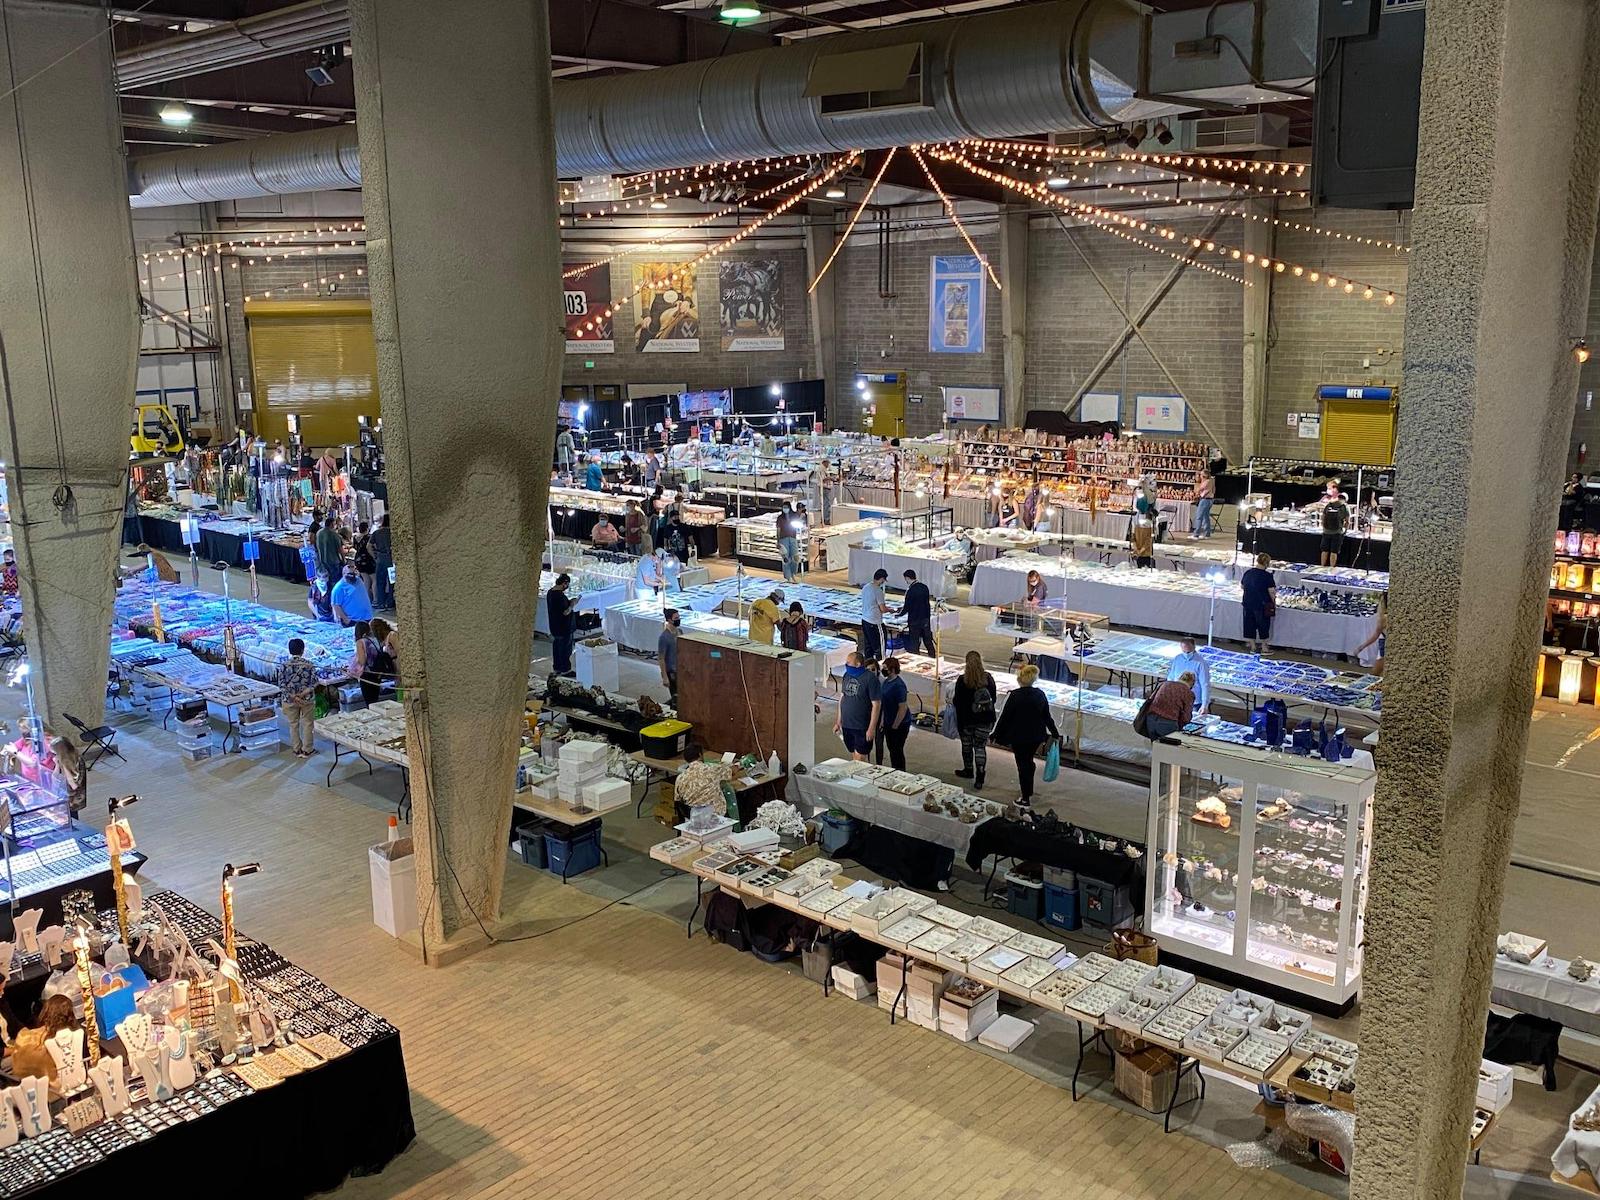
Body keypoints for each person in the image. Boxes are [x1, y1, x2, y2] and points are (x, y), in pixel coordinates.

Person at [992, 662, 1059, 810]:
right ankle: (1028, 787)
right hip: (1036, 737)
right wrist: (1055, 733)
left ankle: (1025, 798)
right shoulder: (1040, 694)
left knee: (1022, 765)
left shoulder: (1014, 696)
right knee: (1028, 761)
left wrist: (995, 734)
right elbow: (1047, 716)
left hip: (1019, 737)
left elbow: (1005, 717)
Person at [952, 650, 997, 789]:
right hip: (985, 720)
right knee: (980, 747)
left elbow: (957, 702)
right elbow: (993, 699)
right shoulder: (988, 678)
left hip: (967, 720)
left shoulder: (962, 680)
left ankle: (968, 770)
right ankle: (980, 775)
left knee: (966, 746)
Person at [834, 651, 881, 762]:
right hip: (847, 723)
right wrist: (838, 721)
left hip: (862, 725)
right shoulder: (846, 675)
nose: (846, 664)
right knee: (854, 754)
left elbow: (876, 705)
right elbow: (842, 698)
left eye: (848, 662)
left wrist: (871, 728)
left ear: (858, 664)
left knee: (860, 757)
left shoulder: (870, 679)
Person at [277, 637, 318, 757]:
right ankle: (307, 749)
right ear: (303, 650)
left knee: (293, 724)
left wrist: (293, 696)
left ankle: (296, 749)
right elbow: (315, 682)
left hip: (289, 700)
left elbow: (281, 684)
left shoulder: (283, 665)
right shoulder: (309, 664)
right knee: (308, 723)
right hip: (307, 699)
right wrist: (302, 694)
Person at [674, 742, 729, 815]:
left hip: (693, 816)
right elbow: (731, 772)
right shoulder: (712, 769)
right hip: (715, 815)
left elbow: (677, 800)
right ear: (700, 755)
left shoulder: (680, 778)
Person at [877, 657, 912, 770]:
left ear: (892, 669)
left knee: (897, 750)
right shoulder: (886, 682)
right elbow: (884, 704)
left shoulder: (899, 686)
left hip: (900, 724)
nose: (883, 671)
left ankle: (900, 771)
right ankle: (894, 769)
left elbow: (902, 708)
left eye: (885, 669)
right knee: (891, 749)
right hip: (888, 720)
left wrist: (895, 726)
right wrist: (883, 720)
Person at [349, 620, 395, 703]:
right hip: (377, 672)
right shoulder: (375, 640)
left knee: (369, 701)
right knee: (375, 698)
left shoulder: (360, 642)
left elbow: (362, 661)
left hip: (367, 674)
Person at [1240, 551, 1276, 655]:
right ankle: (1264, 647)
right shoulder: (1267, 576)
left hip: (1248, 602)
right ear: (1267, 563)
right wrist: (1273, 602)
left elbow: (1242, 586)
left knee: (1249, 624)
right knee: (1263, 625)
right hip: (1262, 605)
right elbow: (1271, 591)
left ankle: (1253, 647)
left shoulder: (1248, 573)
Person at [1143, 671, 1196, 740]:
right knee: (1168, 748)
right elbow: (1186, 717)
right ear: (1192, 683)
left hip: (1151, 720)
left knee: (1156, 746)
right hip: (1168, 723)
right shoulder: (1188, 693)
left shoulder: (1165, 684)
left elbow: (1150, 700)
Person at [896, 569, 935, 656]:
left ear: (907, 578)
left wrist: (899, 614)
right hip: (925, 619)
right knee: (928, 640)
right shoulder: (924, 587)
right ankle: (932, 657)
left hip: (914, 620)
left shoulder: (911, 590)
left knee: (914, 642)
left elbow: (907, 606)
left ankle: (916, 658)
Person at [1167, 636, 1210, 713]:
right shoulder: (1177, 659)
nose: (1186, 654)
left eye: (1188, 652)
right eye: (1184, 652)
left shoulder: (1201, 663)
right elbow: (1171, 678)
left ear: (1194, 647)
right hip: (1178, 698)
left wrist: (1204, 705)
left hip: (1194, 702)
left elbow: (1205, 685)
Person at [547, 573, 577, 675]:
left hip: (555, 626)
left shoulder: (550, 593)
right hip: (564, 627)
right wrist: (573, 604)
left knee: (557, 648)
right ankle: (565, 669)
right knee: (565, 649)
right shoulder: (559, 596)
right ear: (564, 583)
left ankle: (557, 667)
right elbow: (565, 612)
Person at [1354, 592, 1387, 676]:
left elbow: (1375, 635)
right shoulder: (1384, 617)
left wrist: (1361, 647)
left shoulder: (1383, 618)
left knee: (1377, 671)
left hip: (1385, 645)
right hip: (1384, 643)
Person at [859, 568, 888, 658]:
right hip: (875, 622)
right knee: (880, 647)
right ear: (882, 579)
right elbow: (882, 609)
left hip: (865, 620)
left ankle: (868, 665)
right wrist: (891, 610)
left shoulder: (866, 587)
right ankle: (881, 665)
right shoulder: (878, 591)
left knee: (868, 646)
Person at [1319, 487, 1351, 566]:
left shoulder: (1330, 504)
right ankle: (1332, 568)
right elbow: (1348, 521)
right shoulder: (1345, 507)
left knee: (1324, 550)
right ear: (1345, 500)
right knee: (1334, 552)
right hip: (1337, 532)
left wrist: (1324, 527)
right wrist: (1345, 531)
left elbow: (1323, 517)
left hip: (1326, 531)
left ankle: (1322, 566)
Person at [371, 513, 394, 610]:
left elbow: (369, 546)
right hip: (391, 559)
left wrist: (374, 556)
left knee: (380, 582)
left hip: (380, 559)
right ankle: (390, 602)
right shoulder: (392, 532)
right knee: (392, 581)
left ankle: (381, 603)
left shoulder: (376, 532)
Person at [658, 607, 680, 701]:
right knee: (676, 698)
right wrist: (665, 677)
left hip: (680, 670)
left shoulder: (680, 632)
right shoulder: (664, 637)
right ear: (669, 620)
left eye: (679, 617)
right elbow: (661, 658)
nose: (679, 620)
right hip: (672, 672)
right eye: (676, 618)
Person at [353, 520, 377, 601]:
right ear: (367, 528)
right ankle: (375, 599)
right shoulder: (369, 537)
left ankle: (366, 599)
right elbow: (371, 547)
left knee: (366, 580)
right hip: (368, 560)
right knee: (374, 580)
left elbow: (355, 547)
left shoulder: (355, 538)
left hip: (358, 560)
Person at [776, 503, 800, 584]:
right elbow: (778, 530)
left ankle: (793, 573)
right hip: (783, 539)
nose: (785, 509)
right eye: (783, 507)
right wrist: (778, 541)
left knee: (795, 557)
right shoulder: (780, 518)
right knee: (785, 559)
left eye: (786, 507)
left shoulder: (794, 516)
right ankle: (788, 576)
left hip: (792, 538)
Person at [1192, 470, 1215, 539]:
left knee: (1199, 517)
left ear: (1204, 476)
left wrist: (1198, 482)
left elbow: (1198, 489)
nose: (1200, 476)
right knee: (1206, 517)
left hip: (1205, 500)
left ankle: (1196, 534)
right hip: (1209, 500)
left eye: (1201, 475)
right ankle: (1207, 534)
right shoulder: (1211, 481)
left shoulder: (1207, 482)